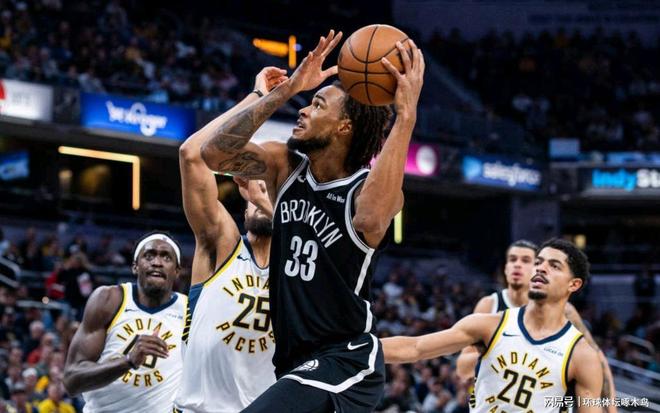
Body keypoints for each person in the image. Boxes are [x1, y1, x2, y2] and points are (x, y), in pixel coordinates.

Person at [200, 29, 425, 412]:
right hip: (293, 361)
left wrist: (406, 116)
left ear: (344, 126)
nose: (303, 110)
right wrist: (285, 91)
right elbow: (214, 155)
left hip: (346, 359)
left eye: (317, 105)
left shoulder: (364, 190)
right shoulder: (284, 165)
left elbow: (371, 218)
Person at [382, 239, 604, 413]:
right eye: (538, 262)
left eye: (554, 265)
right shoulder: (489, 324)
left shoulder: (582, 355)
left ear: (573, 284)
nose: (541, 268)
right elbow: (416, 347)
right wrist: (362, 347)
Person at [173, 67, 282, 412]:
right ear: (242, 190)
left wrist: (267, 200)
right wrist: (257, 99)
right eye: (256, 188)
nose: (261, 196)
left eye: (270, 190)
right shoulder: (222, 243)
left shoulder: (298, 265)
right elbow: (192, 154)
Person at [455, 240, 616, 406]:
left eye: (526, 261)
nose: (517, 265)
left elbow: (597, 359)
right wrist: (496, 350)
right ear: (505, 268)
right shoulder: (490, 305)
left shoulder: (566, 311)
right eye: (512, 259)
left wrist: (611, 408)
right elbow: (463, 368)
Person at [62, 231, 186, 412]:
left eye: (166, 257)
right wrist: (128, 361)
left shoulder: (190, 310)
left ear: (177, 271)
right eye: (149, 256)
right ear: (135, 266)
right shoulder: (108, 299)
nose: (157, 262)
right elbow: (71, 381)